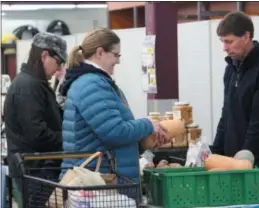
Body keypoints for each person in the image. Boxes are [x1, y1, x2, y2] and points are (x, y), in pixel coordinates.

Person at [59, 28, 169, 200]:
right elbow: (115, 132)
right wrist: (147, 124)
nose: (117, 62)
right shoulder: (91, 85)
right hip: (99, 183)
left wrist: (146, 139)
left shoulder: (98, 83)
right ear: (100, 52)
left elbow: (108, 135)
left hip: (102, 180)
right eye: (116, 55)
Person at [210, 12, 259, 167]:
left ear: (246, 37)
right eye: (222, 42)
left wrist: (244, 160)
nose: (224, 48)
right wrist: (215, 153)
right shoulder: (231, 68)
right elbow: (226, 115)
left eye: (229, 41)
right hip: (233, 160)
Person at [3, 32, 67, 207]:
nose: (59, 68)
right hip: (35, 170)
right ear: (45, 55)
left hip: (37, 168)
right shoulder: (28, 87)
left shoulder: (34, 83)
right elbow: (37, 134)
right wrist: (68, 140)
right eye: (59, 61)